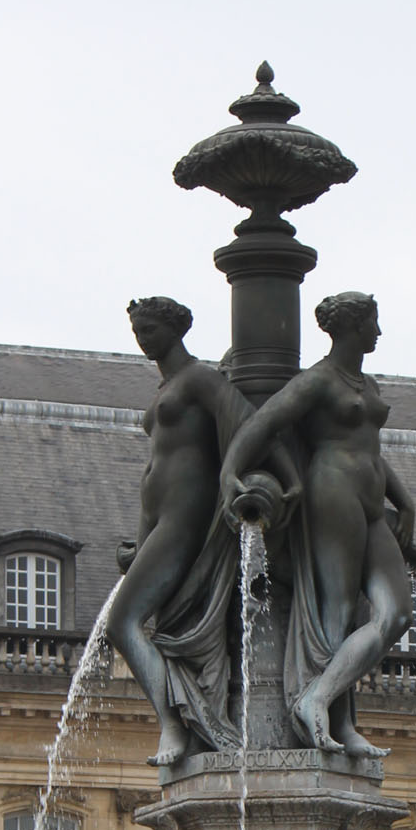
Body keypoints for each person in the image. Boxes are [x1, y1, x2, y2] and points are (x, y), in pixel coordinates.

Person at [218, 291, 416, 756]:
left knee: (396, 615)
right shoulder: (318, 380)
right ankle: (333, 719)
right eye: (373, 322)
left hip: (371, 499)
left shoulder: (364, 383)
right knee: (339, 616)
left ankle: (318, 696)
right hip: (333, 493)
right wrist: (230, 471)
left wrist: (404, 501)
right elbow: (262, 422)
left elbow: (369, 447)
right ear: (351, 327)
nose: (378, 331)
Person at [115, 298, 293, 764]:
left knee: (122, 622)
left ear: (175, 330)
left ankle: (176, 725)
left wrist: (289, 480)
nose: (142, 338)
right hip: (161, 521)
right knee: (135, 623)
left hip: (187, 519)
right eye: (137, 329)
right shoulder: (167, 387)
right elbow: (152, 472)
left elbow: (253, 425)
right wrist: (139, 538)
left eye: (150, 329)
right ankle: (181, 720)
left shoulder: (198, 378)